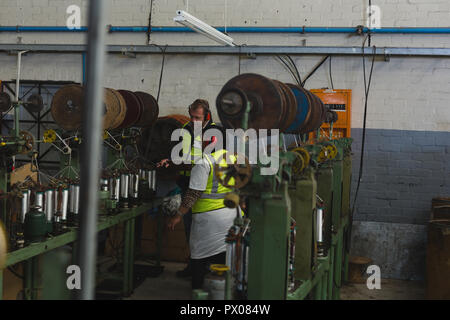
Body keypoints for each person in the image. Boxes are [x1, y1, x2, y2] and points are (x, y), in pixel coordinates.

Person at [157, 99, 222, 278]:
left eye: (198, 118)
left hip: (206, 187)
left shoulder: (216, 133)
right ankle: (194, 266)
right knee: (190, 228)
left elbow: (211, 162)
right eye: (192, 117)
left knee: (206, 230)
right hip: (187, 183)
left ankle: (208, 267)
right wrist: (171, 161)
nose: (194, 121)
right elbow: (182, 155)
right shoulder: (185, 129)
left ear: (207, 116)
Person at [167, 140, 240, 290]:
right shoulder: (233, 157)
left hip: (209, 218)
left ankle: (198, 291)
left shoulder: (204, 162)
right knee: (224, 255)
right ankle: (222, 291)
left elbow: (193, 193)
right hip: (232, 215)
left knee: (199, 256)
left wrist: (178, 215)